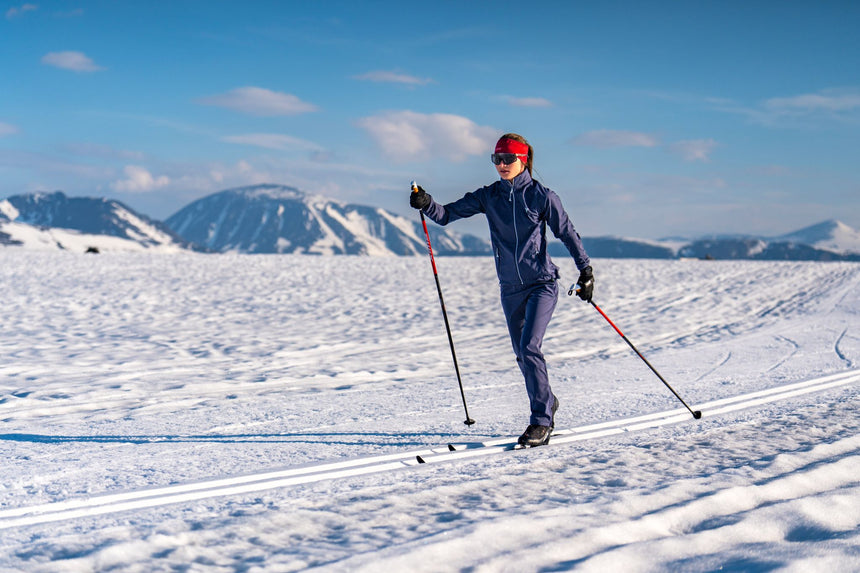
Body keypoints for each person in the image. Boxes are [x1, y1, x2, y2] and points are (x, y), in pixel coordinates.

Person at [410, 133, 594, 447]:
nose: (503, 165)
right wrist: (426, 203)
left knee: (530, 348)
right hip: (510, 289)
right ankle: (547, 400)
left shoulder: (542, 196)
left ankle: (540, 421)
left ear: (524, 161)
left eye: (509, 159)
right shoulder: (489, 196)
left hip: (541, 285)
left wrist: (585, 270)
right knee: (522, 355)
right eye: (497, 159)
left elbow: (567, 232)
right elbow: (446, 215)